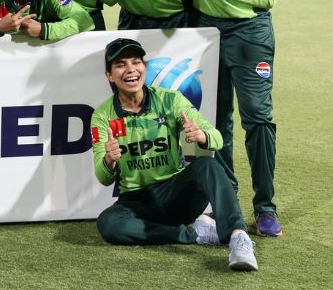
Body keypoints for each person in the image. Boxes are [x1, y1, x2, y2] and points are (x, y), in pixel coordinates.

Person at [91, 38, 258, 271]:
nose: (130, 69)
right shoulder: (102, 116)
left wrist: (202, 135)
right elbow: (103, 177)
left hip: (177, 194)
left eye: (136, 62)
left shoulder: (170, 100)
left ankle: (238, 237)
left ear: (144, 68)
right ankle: (194, 234)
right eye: (120, 64)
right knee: (108, 224)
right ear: (109, 75)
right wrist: (109, 160)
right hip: (137, 201)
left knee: (207, 165)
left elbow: (217, 139)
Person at [180, 0, 282, 237]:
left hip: (248, 31)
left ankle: (265, 207)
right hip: (207, 32)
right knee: (216, 120)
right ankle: (227, 200)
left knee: (257, 118)